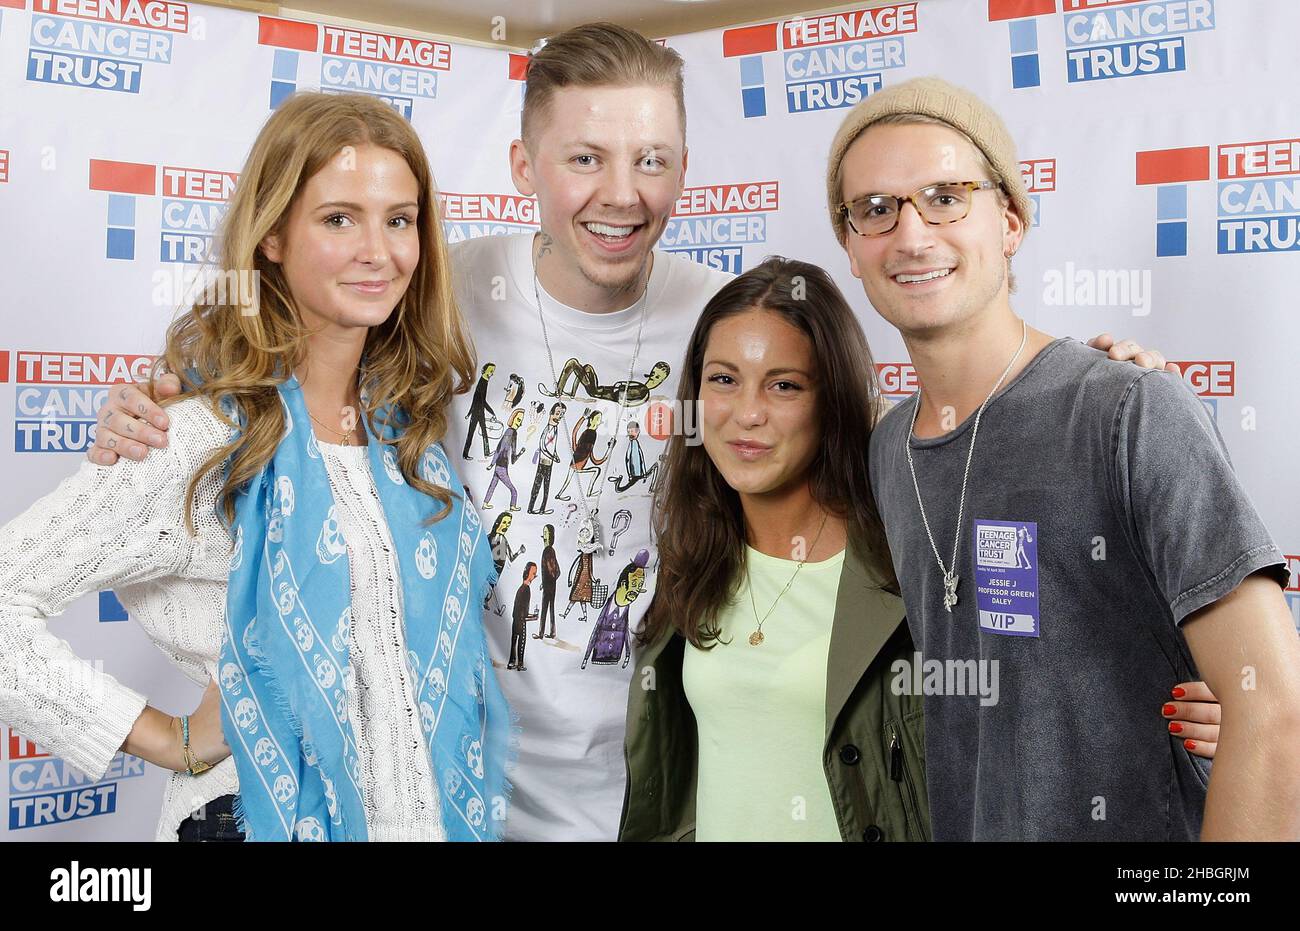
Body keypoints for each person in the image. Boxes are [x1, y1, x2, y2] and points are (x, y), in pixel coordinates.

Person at [89, 25, 1193, 842]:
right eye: (584, 159)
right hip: (446, 795)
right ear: (524, 170)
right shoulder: (437, 292)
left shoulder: (732, 326)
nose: (622, 194)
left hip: (657, 797)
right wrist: (164, 393)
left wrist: (1094, 384)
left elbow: (902, 467)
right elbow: (284, 340)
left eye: (653, 159)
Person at [0, 91, 510, 841]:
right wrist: (167, 736)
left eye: (399, 220)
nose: (380, 250)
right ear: (272, 237)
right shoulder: (192, 438)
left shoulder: (411, 440)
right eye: (339, 218)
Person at [827, 76, 1300, 840]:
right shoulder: (888, 449)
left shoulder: (1128, 409)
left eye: (946, 196)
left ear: (1010, 221)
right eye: (874, 209)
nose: (911, 234)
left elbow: (1274, 712)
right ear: (850, 243)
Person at [621, 258, 1220, 842]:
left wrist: (1108, 389)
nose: (747, 414)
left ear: (831, 400)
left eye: (784, 385)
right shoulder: (697, 550)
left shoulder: (908, 548)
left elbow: (1049, 676)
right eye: (723, 379)